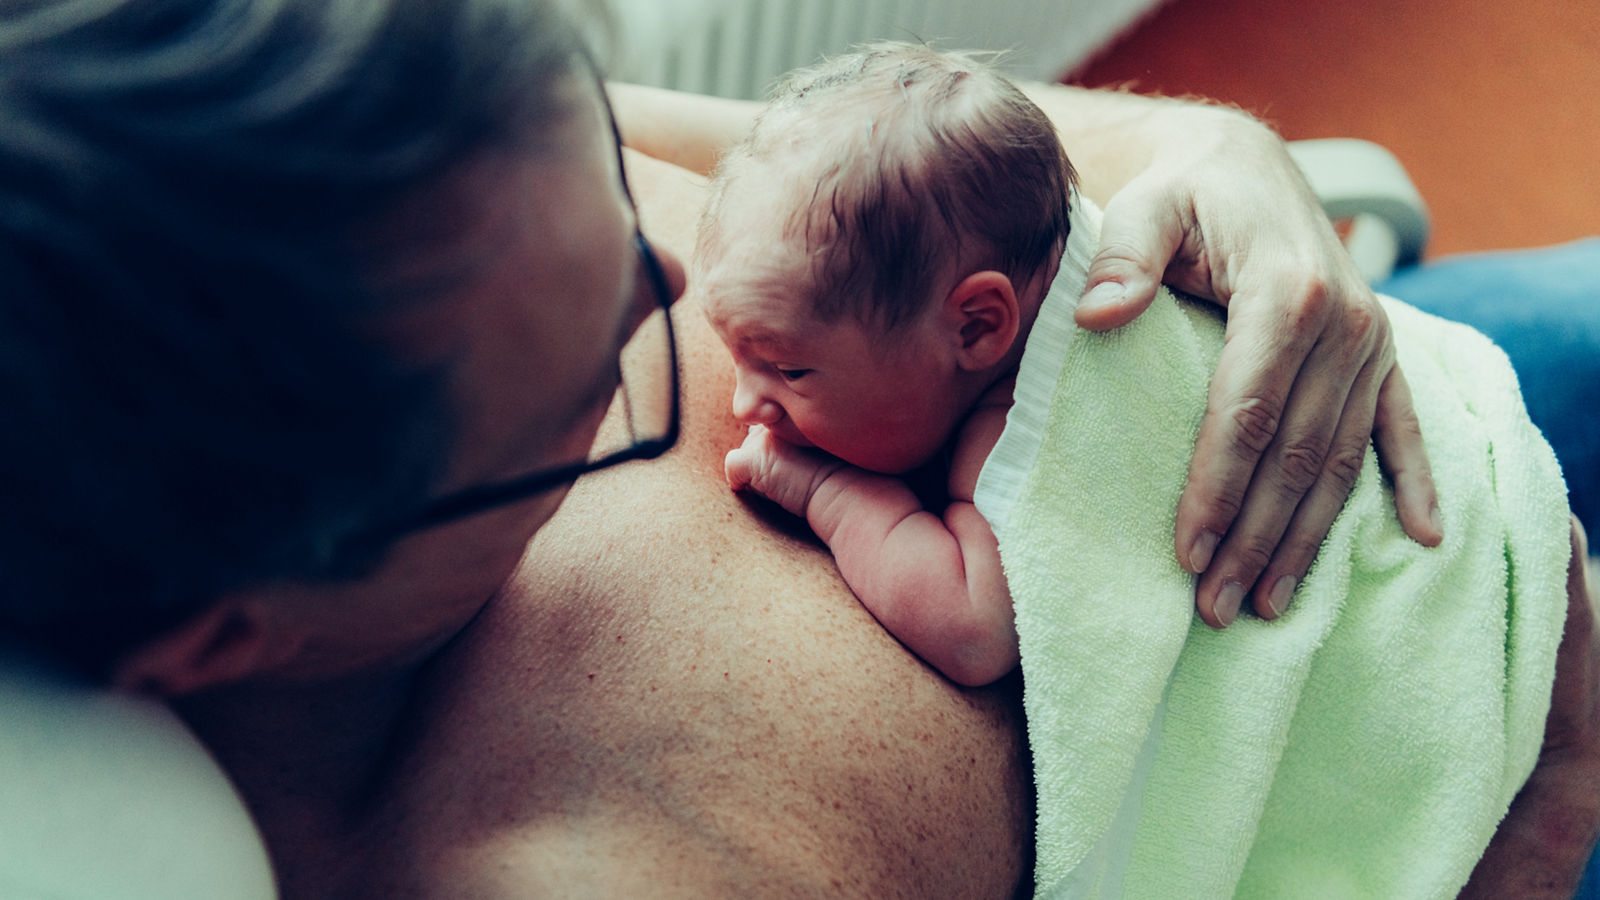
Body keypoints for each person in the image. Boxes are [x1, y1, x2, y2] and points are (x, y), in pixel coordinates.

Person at [0, 2, 1594, 897]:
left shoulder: (351, 130)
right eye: (594, 374)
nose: (677, 287)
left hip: (1408, 389)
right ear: (231, 631)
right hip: (1442, 776)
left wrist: (1216, 153)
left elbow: (915, 154)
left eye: (621, 191)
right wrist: (1538, 840)